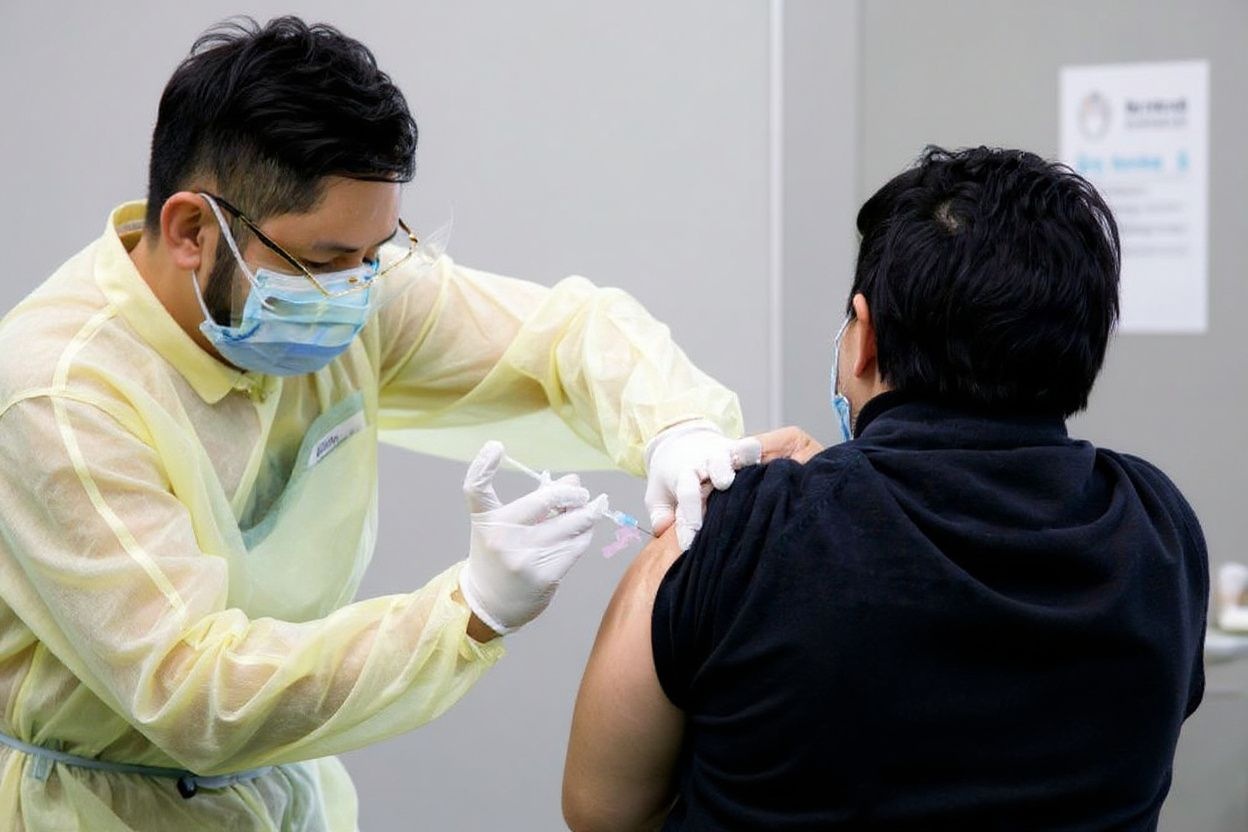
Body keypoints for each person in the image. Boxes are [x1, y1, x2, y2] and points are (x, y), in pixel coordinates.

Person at [0, 16, 772, 830]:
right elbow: (195, 693)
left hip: (285, 799)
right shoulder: (59, 394)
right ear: (193, 230)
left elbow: (566, 337)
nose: (356, 292)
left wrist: (679, 431)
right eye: (329, 261)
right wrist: (466, 609)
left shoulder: (341, 293)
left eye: (376, 254)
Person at [564, 146, 1209, 831]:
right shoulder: (1156, 531)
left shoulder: (730, 535)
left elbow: (602, 811)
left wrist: (793, 511)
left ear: (863, 336)